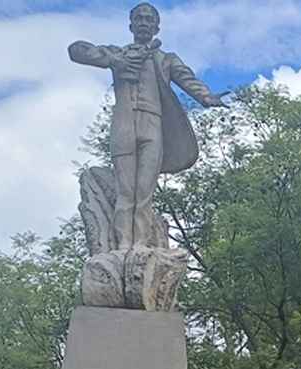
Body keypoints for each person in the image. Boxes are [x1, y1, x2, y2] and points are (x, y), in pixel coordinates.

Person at [68, 3, 228, 250]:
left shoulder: (166, 59)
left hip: (153, 124)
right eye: (139, 18)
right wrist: (115, 61)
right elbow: (76, 50)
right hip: (123, 124)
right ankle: (123, 246)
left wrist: (207, 98)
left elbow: (188, 79)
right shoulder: (118, 53)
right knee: (125, 191)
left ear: (156, 26)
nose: (144, 22)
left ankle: (141, 245)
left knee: (144, 193)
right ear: (131, 25)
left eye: (149, 19)